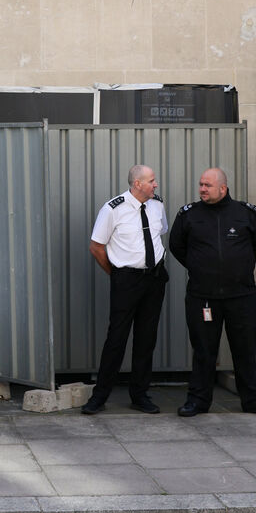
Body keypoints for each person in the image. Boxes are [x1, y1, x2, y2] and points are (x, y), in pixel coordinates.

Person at [168, 167, 256, 417]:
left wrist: (238, 266)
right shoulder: (189, 214)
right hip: (203, 297)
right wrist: (200, 266)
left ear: (223, 188)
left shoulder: (245, 213)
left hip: (241, 296)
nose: (202, 190)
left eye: (207, 185)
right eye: (201, 185)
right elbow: (176, 246)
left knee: (245, 351)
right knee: (204, 352)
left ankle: (253, 400)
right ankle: (197, 401)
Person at [80, 164, 169, 415]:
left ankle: (140, 395)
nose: (156, 184)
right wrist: (117, 275)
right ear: (137, 184)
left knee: (146, 338)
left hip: (154, 279)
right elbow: (96, 247)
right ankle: (99, 397)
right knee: (116, 339)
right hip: (126, 280)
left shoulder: (157, 205)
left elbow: (159, 234)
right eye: (152, 180)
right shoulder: (113, 209)